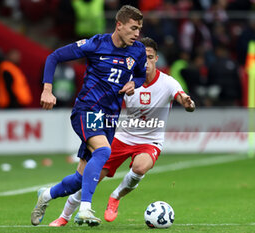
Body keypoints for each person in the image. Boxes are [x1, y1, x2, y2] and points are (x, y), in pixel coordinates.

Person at [48, 37, 195, 227]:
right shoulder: (127, 79)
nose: (146, 62)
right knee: (91, 176)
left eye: (150, 57)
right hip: (122, 136)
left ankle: (115, 197)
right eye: (143, 58)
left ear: (156, 58)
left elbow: (183, 98)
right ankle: (64, 216)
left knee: (140, 167)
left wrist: (187, 103)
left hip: (150, 140)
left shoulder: (168, 82)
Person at [31, 5, 146, 227]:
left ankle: (45, 196)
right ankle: (84, 210)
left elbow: (140, 75)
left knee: (79, 179)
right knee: (103, 151)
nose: (137, 34)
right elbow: (54, 57)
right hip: (87, 109)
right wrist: (47, 89)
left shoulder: (138, 51)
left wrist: (134, 83)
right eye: (133, 28)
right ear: (119, 25)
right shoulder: (96, 44)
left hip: (110, 117)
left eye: (139, 29)